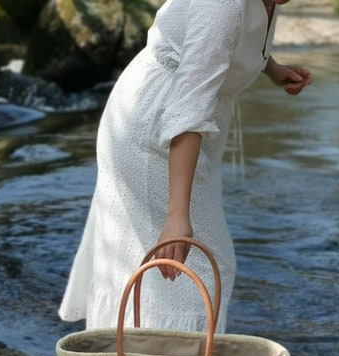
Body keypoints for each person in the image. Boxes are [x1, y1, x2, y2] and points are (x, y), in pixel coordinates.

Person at [59, 0, 312, 333]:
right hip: (156, 126)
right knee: (205, 264)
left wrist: (270, 68)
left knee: (155, 259)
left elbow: (226, 41)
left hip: (182, 119)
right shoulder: (222, 4)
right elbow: (187, 111)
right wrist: (176, 215)